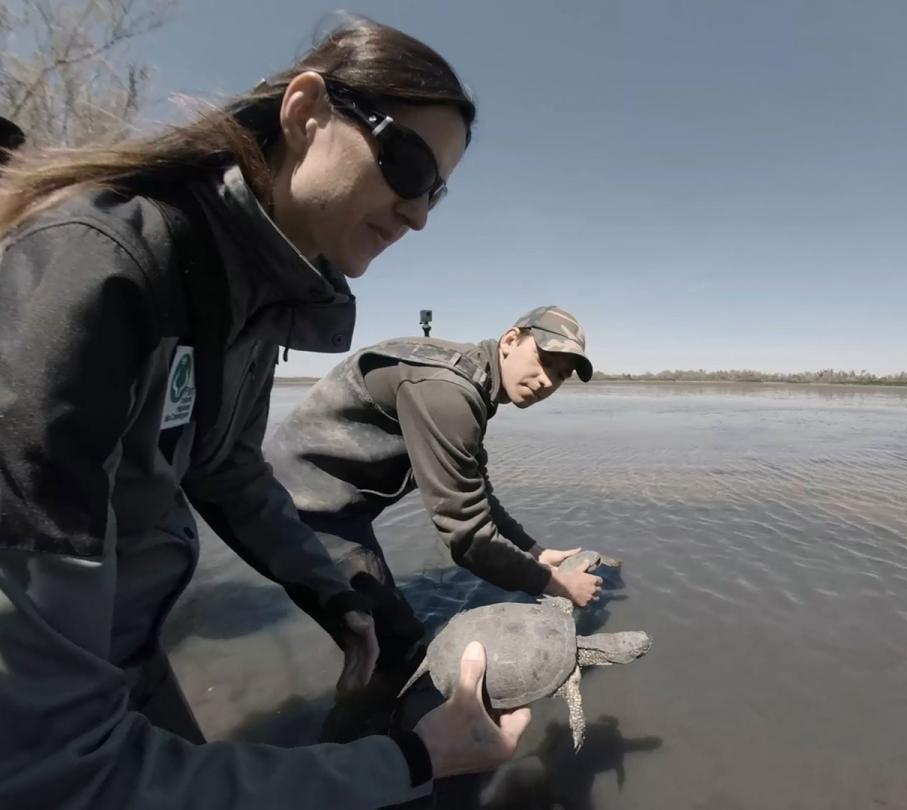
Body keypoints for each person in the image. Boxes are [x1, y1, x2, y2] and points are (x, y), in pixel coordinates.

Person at [0, 17, 529, 809]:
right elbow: (62, 768)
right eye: (410, 165)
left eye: (436, 192)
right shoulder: (97, 273)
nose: (419, 213)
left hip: (125, 642)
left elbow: (226, 467)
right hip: (55, 686)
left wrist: (330, 593)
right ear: (306, 110)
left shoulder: (251, 294)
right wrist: (414, 761)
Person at [263, 306, 600, 737]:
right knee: (391, 644)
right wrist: (557, 585)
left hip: (337, 507)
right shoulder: (448, 392)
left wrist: (535, 550)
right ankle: (353, 753)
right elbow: (470, 539)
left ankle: (377, 738)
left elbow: (475, 490)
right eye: (545, 361)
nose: (547, 380)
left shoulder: (472, 383)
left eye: (560, 375)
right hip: (298, 508)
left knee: (386, 639)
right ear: (511, 340)